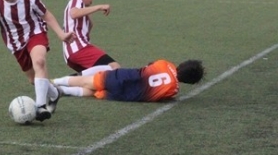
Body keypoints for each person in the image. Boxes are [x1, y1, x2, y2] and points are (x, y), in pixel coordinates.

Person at [52, 59, 204, 102]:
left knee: (87, 81)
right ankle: (62, 91)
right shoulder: (174, 90)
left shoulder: (165, 64)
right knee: (93, 92)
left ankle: (53, 82)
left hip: (125, 77)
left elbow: (150, 65)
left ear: (182, 64)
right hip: (127, 96)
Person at [62, 0, 120, 75]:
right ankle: (63, 81)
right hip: (79, 48)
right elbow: (74, 13)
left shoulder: (81, 7)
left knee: (97, 78)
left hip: (72, 52)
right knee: (114, 67)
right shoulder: (77, 0)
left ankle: (62, 85)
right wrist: (99, 7)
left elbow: (88, 25)